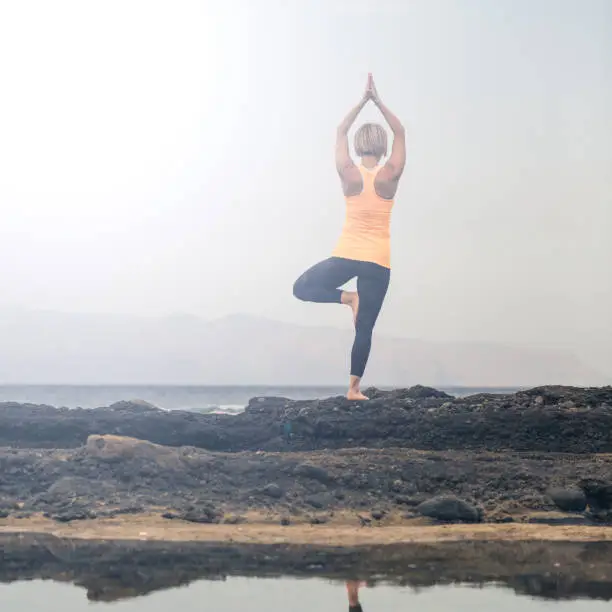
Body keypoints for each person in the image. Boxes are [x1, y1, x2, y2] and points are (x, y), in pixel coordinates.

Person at [292, 74, 406, 401]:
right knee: (365, 326)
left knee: (301, 288)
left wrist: (362, 101)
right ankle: (353, 388)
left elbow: (340, 130)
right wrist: (379, 102)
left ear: (357, 146)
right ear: (384, 148)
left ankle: (346, 298)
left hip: (347, 253)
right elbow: (400, 131)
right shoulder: (390, 175)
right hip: (378, 260)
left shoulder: (348, 173)